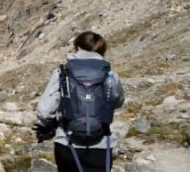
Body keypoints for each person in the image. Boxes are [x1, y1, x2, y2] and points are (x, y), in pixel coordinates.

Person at [34, 31, 125, 172]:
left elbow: (45, 111)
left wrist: (49, 126)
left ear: (78, 48)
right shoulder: (110, 75)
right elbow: (118, 102)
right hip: (101, 144)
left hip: (67, 143)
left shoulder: (63, 73)